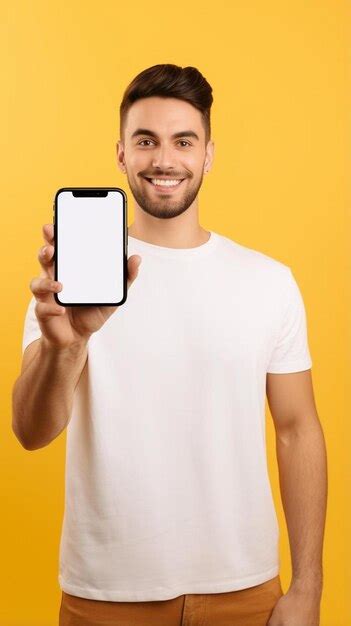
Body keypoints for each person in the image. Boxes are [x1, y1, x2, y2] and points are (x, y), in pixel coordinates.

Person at [13, 64, 327, 626]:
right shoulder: (68, 284)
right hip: (104, 595)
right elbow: (31, 433)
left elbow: (297, 428)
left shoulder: (268, 281)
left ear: (207, 154)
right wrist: (69, 345)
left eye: (184, 141)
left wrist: (308, 587)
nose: (164, 159)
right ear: (120, 154)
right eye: (145, 140)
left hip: (245, 589)